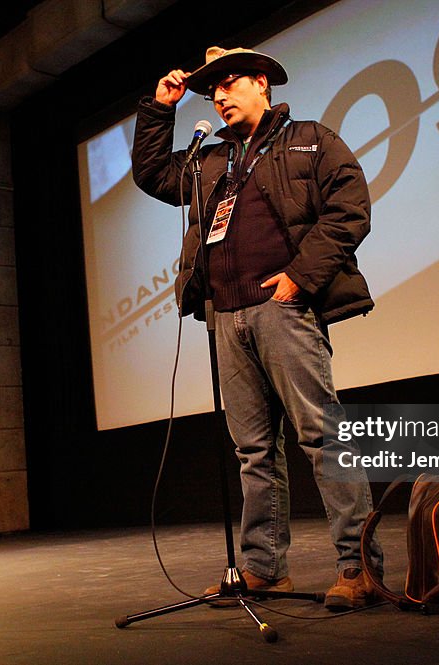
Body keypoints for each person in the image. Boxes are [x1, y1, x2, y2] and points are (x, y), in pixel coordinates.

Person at [131, 46, 383, 610]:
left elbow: (351, 208)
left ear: (262, 82)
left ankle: (359, 568)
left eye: (228, 83)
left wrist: (299, 278)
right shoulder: (208, 162)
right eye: (210, 90)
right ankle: (265, 569)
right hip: (226, 314)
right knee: (253, 451)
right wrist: (158, 109)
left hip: (284, 309)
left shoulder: (310, 139)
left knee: (323, 438)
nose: (218, 96)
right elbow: (151, 173)